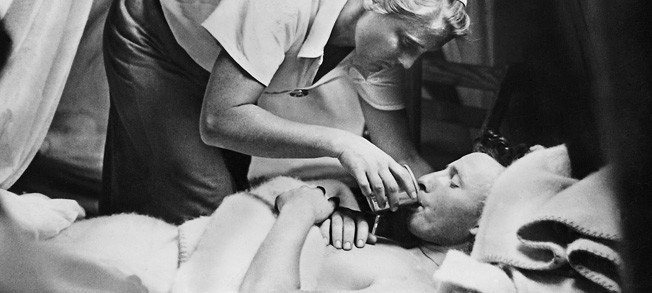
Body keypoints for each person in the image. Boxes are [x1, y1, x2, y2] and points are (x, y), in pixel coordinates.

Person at [101, 0, 471, 223]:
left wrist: (472, 215)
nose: (407, 62)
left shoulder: (382, 43)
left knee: (233, 198)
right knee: (206, 203)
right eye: (406, 43)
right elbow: (221, 121)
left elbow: (401, 155)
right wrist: (341, 143)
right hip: (154, 32)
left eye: (419, 51)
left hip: (212, 59)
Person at [0, 152, 503, 293]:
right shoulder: (400, 244)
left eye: (452, 181)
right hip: (179, 241)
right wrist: (330, 197)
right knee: (47, 228)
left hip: (177, 272)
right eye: (442, 167)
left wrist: (300, 213)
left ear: (482, 228)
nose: (430, 180)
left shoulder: (413, 285)